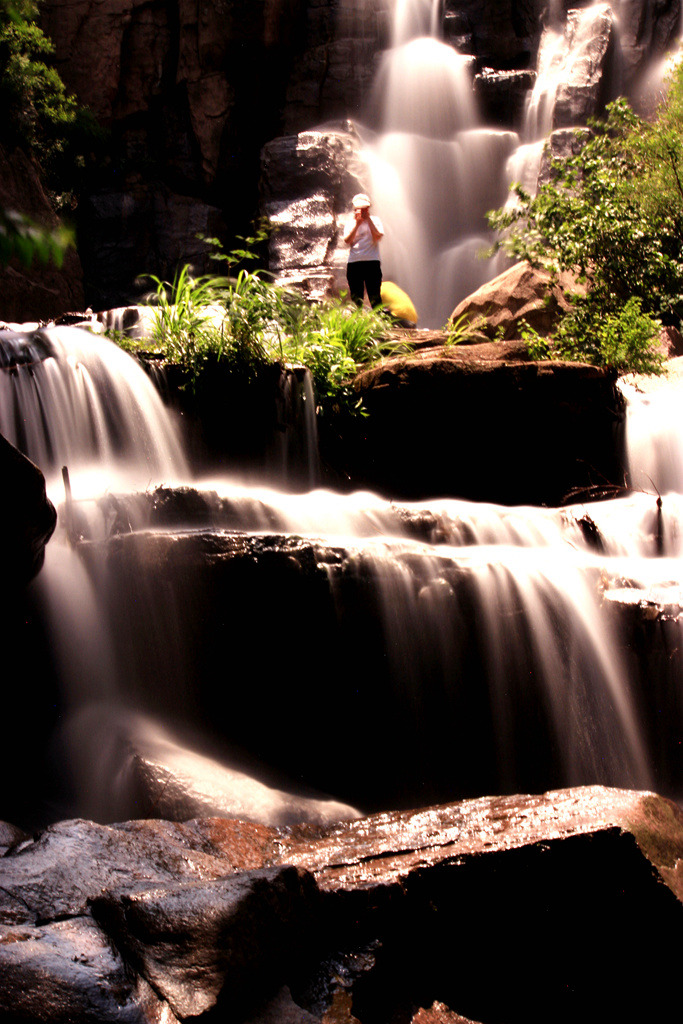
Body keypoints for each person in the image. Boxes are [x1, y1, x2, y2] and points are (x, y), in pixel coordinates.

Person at [343, 193, 384, 309]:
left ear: (368, 208)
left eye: (364, 208)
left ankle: (380, 321)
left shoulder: (375, 220)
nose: (362, 211)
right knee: (356, 297)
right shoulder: (350, 223)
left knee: (374, 295)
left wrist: (368, 220)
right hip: (354, 262)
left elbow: (378, 236)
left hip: (372, 261)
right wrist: (357, 224)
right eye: (359, 209)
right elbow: (347, 240)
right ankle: (358, 322)